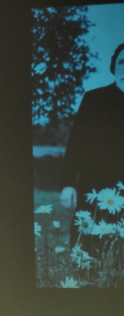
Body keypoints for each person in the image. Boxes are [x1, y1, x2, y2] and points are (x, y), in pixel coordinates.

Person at [59, 41, 124, 212]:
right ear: (114, 67)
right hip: (94, 189)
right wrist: (68, 184)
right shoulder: (94, 99)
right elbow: (76, 143)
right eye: (122, 62)